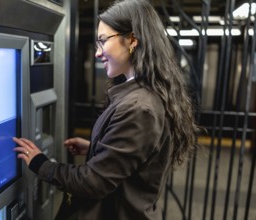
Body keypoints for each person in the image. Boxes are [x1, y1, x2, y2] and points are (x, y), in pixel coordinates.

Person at [13, 0, 200, 219]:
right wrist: (96, 148)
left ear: (132, 40)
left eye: (103, 41)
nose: (97, 53)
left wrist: (41, 164)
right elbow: (135, 157)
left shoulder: (140, 108)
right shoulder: (141, 94)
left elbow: (93, 183)